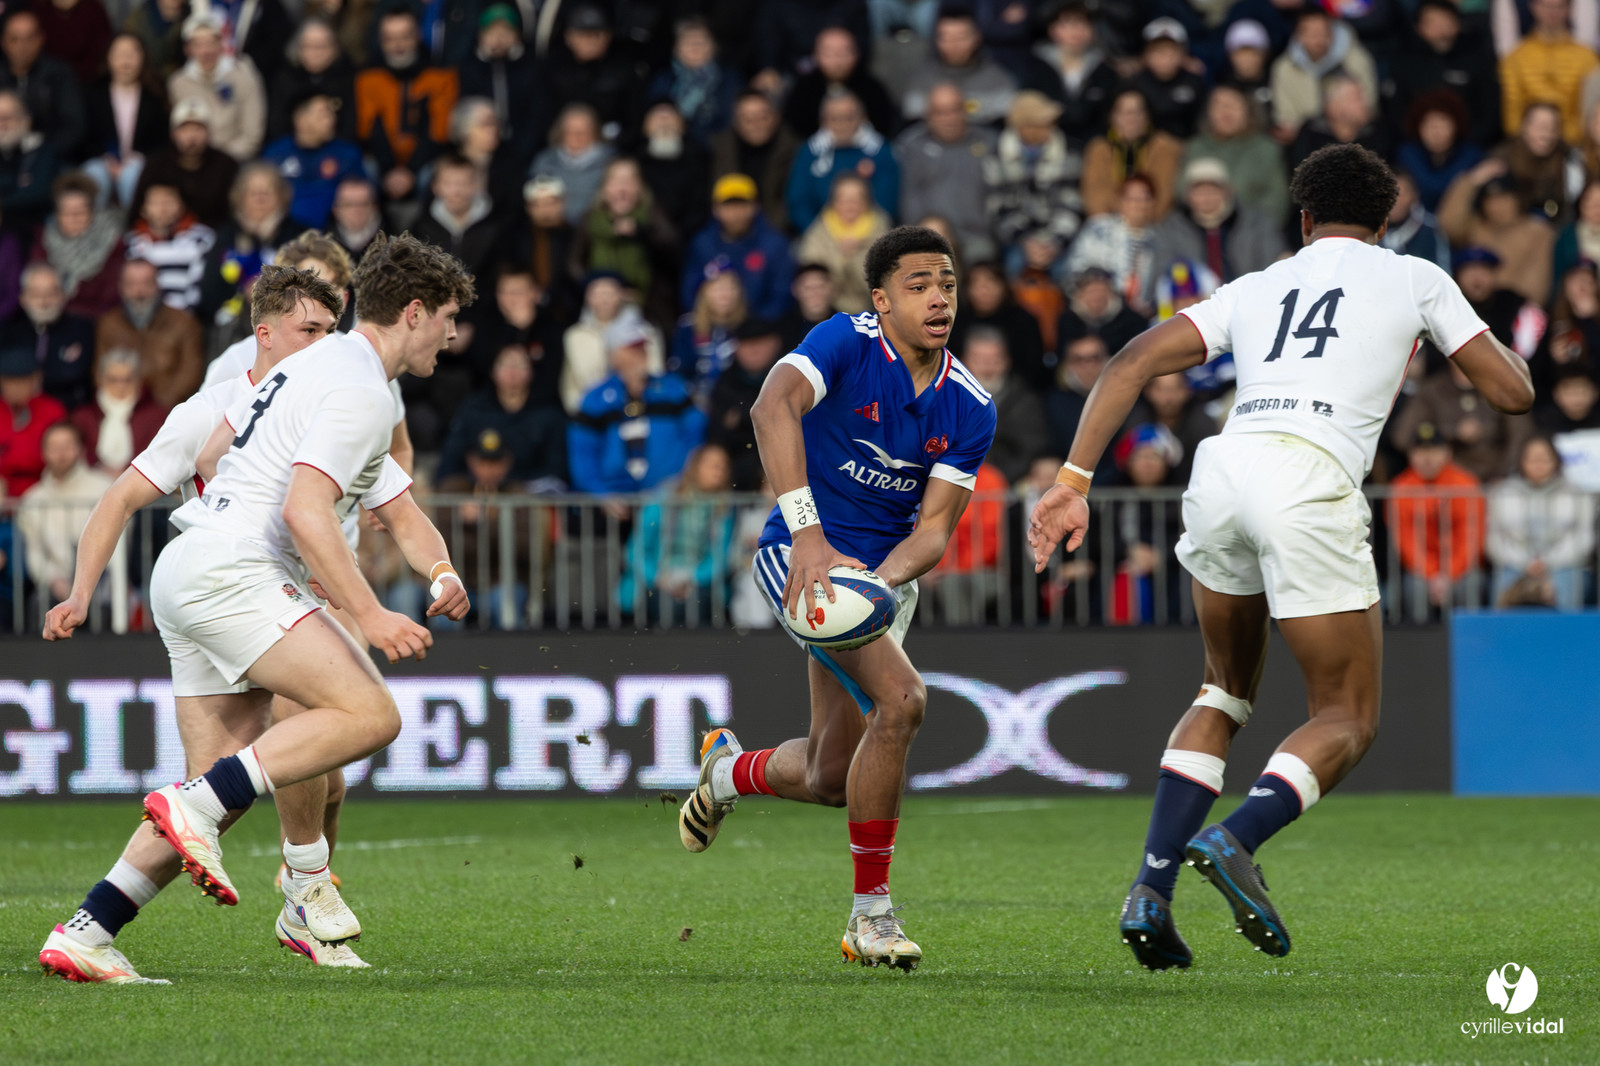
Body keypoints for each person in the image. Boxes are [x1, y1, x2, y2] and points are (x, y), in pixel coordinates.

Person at [1026, 144, 1532, 970]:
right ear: (1386, 219)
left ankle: (1149, 888)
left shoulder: (1258, 286)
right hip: (1308, 478)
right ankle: (1237, 838)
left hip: (1224, 469)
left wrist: (1074, 481)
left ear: (1303, 221)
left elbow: (1130, 362)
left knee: (1223, 690)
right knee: (1347, 714)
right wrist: (1488, 342)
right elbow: (1511, 393)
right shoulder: (1414, 277)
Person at [60, 241, 475, 979]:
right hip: (236, 572)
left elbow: (400, 509)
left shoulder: (320, 366)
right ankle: (300, 887)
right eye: (445, 319)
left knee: (225, 785)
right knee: (370, 716)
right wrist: (373, 614)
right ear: (413, 312)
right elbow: (308, 511)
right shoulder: (361, 389)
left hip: (191, 566)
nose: (451, 335)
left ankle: (90, 929)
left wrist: (441, 569)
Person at [678, 225, 997, 972]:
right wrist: (812, 535)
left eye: (946, 282)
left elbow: (935, 532)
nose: (938, 297)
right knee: (904, 701)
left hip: (872, 583)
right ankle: (872, 918)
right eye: (918, 285)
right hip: (796, 557)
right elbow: (770, 410)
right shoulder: (845, 342)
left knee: (828, 776)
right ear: (881, 301)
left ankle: (727, 771)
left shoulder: (970, 404)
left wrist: (875, 584)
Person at [568, 317, 705, 495]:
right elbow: (583, 452)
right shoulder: (594, 399)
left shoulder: (674, 389)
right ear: (614, 354)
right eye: (632, 348)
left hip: (670, 498)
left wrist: (684, 480)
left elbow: (696, 435)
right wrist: (601, 495)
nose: (641, 353)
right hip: (613, 505)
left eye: (643, 347)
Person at [617, 442, 739, 625]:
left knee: (693, 605)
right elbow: (636, 550)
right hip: (657, 580)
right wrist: (658, 578)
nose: (718, 470)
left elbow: (720, 557)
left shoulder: (724, 508)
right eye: (712, 464)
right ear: (695, 466)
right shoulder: (663, 498)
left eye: (723, 465)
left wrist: (691, 577)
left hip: (700, 584)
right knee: (667, 605)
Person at [354, 6, 458, 215]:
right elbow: (370, 131)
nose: (398, 45)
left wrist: (410, 172)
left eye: (405, 36)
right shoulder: (368, 79)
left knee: (439, 173)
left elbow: (439, 132)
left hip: (424, 164)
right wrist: (390, 171)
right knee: (362, 169)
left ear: (417, 36)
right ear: (381, 41)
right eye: (390, 38)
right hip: (383, 166)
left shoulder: (441, 77)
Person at [1148, 158, 1286, 312]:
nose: (1206, 198)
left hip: (1250, 305)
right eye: (1199, 191)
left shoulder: (1255, 224)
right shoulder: (1171, 229)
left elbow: (1273, 267)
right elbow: (1162, 275)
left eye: (1213, 190)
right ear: (1187, 195)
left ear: (1227, 191)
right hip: (1197, 311)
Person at [435, 342, 567, 490]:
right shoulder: (473, 408)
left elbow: (556, 468)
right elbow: (451, 458)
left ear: (531, 371)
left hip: (528, 496)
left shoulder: (548, 414)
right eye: (505, 364)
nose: (512, 371)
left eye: (519, 365)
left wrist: (514, 486)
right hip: (475, 493)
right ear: (492, 370)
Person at [1389, 421, 1488, 614]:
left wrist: (1448, 574)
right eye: (1420, 451)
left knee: (1470, 585)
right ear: (1410, 455)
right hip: (1423, 570)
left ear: (1447, 453)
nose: (1427, 458)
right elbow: (1406, 541)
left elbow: (1472, 537)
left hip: (1461, 567)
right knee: (1414, 588)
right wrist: (1432, 573)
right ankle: (1418, 642)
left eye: (1434, 451)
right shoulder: (1401, 487)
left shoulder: (1466, 484)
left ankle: (1469, 642)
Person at [896, 82, 998, 264]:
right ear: (928, 115)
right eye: (940, 112)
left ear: (966, 111)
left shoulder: (989, 143)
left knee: (984, 274)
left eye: (955, 110)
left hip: (977, 236)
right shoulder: (911, 146)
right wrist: (923, 231)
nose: (949, 118)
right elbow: (908, 198)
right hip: (930, 237)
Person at [1487, 434, 1593, 608]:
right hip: (1515, 565)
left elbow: (1582, 540)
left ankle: (1566, 635)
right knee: (1501, 590)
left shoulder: (1577, 494)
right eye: (1532, 459)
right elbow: (1495, 541)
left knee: (1568, 588)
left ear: (1556, 461)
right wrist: (1525, 563)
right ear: (1521, 461)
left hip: (1563, 566)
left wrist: (1548, 563)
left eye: (1544, 458)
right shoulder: (1502, 494)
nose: (1538, 464)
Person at [17, 420, 114, 607]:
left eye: (68, 446)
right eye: (54, 447)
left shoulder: (105, 487)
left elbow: (118, 545)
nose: (61, 453)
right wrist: (54, 579)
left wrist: (86, 582)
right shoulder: (31, 500)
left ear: (80, 449)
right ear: (43, 452)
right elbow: (35, 553)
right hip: (55, 585)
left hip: (103, 580)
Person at [983, 90, 1083, 261]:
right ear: (1023, 127)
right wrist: (1025, 240)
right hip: (1016, 238)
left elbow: (1071, 203)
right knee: (1015, 263)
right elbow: (999, 208)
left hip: (1059, 236)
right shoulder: (997, 156)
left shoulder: (1069, 153)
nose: (1051, 127)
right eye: (1043, 123)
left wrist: (1056, 241)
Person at [1438, 161, 1556, 304]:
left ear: (1518, 199)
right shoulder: (1475, 227)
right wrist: (1471, 181)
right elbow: (1448, 224)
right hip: (1473, 307)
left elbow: (1536, 286)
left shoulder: (1538, 232)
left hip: (1514, 312)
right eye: (1491, 200)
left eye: (1504, 198)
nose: (1498, 206)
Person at [785, 88, 899, 234]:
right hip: (820, 236)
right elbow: (798, 201)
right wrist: (821, 234)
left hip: (870, 236)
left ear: (863, 117)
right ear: (823, 120)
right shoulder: (810, 152)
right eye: (834, 118)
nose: (842, 125)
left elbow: (886, 204)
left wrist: (860, 234)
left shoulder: (880, 151)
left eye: (848, 118)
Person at [682, 173, 795, 320]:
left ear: (755, 207)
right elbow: (690, 294)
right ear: (715, 209)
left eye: (742, 205)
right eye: (728, 206)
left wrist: (753, 327)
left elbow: (782, 295)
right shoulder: (702, 244)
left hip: (761, 329)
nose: (735, 213)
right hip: (713, 327)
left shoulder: (775, 245)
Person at [96, 257, 204, 405]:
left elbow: (190, 374)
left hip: (169, 410)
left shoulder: (183, 323)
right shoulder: (109, 324)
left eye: (147, 283)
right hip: (119, 408)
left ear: (157, 285)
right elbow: (99, 372)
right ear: (120, 286)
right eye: (131, 284)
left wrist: (156, 410)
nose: (139, 292)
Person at [81, 33, 169, 212]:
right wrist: (107, 159)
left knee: (131, 175)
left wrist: (137, 158)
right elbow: (83, 135)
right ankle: (96, 233)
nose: (125, 60)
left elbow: (162, 140)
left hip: (139, 161)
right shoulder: (92, 93)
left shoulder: (154, 94)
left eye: (132, 54)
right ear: (109, 58)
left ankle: (133, 230)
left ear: (143, 58)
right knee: (93, 173)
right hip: (102, 160)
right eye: (119, 54)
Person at [167, 10, 266, 163]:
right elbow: (177, 131)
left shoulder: (243, 75)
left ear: (221, 44)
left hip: (236, 160)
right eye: (198, 44)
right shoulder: (178, 83)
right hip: (193, 160)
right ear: (187, 49)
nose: (205, 51)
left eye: (211, 42)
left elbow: (252, 134)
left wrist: (221, 160)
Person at [261, 89, 367, 229]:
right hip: (284, 235)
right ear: (300, 120)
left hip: (335, 235)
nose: (332, 118)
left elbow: (364, 197)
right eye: (324, 114)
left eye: (332, 113)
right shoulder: (275, 154)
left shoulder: (347, 154)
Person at [1186, 85, 1289, 228]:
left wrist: (1256, 231)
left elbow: (1276, 199)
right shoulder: (1196, 147)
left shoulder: (1266, 149)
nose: (1225, 111)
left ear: (1248, 111)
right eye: (1218, 104)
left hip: (1254, 233)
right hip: (1201, 231)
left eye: (1233, 104)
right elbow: (1181, 191)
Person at [1268, 7, 1378, 140]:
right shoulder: (1284, 68)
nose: (1318, 39)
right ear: (1299, 36)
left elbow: (1369, 108)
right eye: (1312, 33)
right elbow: (1286, 118)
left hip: (1354, 134)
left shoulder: (1356, 60)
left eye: (1323, 32)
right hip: (1307, 138)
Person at [900, 6, 1016, 128]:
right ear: (936, 40)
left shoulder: (997, 79)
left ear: (977, 37)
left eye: (961, 37)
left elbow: (1004, 128)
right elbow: (912, 128)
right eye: (946, 38)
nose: (954, 45)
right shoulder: (920, 80)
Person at [1022, 0, 1119, 146]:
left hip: (1092, 146)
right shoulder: (1036, 68)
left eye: (1083, 23)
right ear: (1052, 30)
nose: (1076, 31)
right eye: (1067, 24)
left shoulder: (1105, 71)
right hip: (1045, 146)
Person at [1500, 0, 1597, 144]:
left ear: (1570, 9)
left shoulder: (1587, 57)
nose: (1552, 12)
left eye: (1559, 6)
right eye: (1545, 5)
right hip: (1528, 145)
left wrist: (1571, 140)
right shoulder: (1516, 57)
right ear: (1533, 7)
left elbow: (1590, 110)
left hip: (1576, 144)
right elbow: (1512, 111)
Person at [133, 97, 239, 228]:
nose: (191, 136)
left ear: (209, 132)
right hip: (165, 238)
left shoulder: (226, 165)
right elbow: (137, 211)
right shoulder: (156, 165)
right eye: (185, 129)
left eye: (198, 128)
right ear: (173, 133)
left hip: (216, 235)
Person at [962, 327, 1049, 485]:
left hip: (1011, 488)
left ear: (1007, 361)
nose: (987, 366)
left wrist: (994, 479)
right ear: (964, 361)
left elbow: (1032, 450)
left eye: (994, 359)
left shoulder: (1025, 401)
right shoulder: (948, 400)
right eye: (979, 359)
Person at [795, 173, 893, 315]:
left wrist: (855, 256)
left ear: (867, 201)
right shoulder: (818, 232)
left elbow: (884, 283)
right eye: (844, 199)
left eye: (857, 199)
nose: (850, 204)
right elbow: (811, 278)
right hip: (827, 313)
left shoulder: (882, 232)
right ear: (834, 201)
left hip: (870, 310)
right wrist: (841, 257)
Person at [782, 24, 895, 142]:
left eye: (843, 53)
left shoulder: (873, 90)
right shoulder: (802, 92)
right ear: (815, 55)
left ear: (856, 54)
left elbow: (882, 128)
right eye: (829, 53)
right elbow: (795, 130)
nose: (837, 60)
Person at [1081, 89, 1182, 219]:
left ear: (1147, 116)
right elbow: (1094, 198)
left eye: (1137, 111)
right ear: (1112, 117)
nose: (1131, 118)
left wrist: (1137, 218)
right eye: (1123, 112)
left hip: (1155, 223)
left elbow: (1164, 196)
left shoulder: (1164, 147)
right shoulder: (1099, 149)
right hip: (1109, 223)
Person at [9, 263, 99, 409]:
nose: (44, 301)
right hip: (19, 413)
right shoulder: (10, 332)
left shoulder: (83, 328)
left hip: (69, 412)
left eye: (51, 293)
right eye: (36, 294)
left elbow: (80, 374)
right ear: (23, 299)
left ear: (63, 296)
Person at [707, 317, 782, 491]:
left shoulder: (790, 380)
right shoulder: (725, 384)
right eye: (747, 344)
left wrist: (741, 419)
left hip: (781, 469)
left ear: (775, 343)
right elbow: (717, 435)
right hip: (734, 477)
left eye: (760, 342)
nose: (754, 350)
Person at [710, 90, 799, 234]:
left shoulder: (793, 149)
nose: (757, 125)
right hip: (729, 229)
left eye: (762, 117)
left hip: (780, 230)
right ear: (736, 122)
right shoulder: (720, 149)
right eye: (748, 119)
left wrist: (769, 231)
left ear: (775, 117)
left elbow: (794, 200)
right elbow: (717, 196)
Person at [0, 9, 84, 159]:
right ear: (4, 42)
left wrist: (44, 153)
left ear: (41, 39)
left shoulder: (59, 75)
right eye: (14, 39)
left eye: (29, 38)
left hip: (50, 158)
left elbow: (74, 127)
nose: (22, 46)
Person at [69, 346, 165, 471]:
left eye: (127, 380)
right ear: (101, 379)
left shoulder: (156, 416)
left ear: (138, 380)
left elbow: (156, 456)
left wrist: (125, 473)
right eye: (113, 379)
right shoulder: (83, 416)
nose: (120, 386)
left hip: (139, 479)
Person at [266, 19, 357, 144]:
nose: (316, 53)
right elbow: (277, 124)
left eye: (322, 46)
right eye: (309, 46)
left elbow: (350, 124)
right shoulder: (284, 79)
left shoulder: (348, 78)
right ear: (298, 49)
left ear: (335, 49)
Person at [1396, 89, 1485, 214]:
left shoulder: (1471, 152)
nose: (1436, 132)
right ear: (1418, 128)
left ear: (1456, 126)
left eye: (1443, 123)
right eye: (1429, 124)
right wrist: (1472, 178)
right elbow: (1432, 189)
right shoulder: (1408, 151)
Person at [412, 152, 498, 280]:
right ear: (435, 187)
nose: (456, 191)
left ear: (476, 185)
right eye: (449, 183)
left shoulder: (494, 226)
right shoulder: (422, 226)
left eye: (463, 183)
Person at [527, 103, 613, 228]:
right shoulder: (545, 161)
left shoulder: (611, 162)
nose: (576, 137)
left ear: (595, 132)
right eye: (570, 131)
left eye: (583, 131)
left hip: (596, 230)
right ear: (560, 132)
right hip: (554, 230)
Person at [0, 345, 68, 496]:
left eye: (22, 380)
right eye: (10, 381)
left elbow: (61, 453)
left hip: (46, 489)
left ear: (34, 380)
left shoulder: (52, 410)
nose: (15, 387)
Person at [1127, 18, 1204, 141]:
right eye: (1158, 51)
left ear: (1183, 54)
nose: (1165, 58)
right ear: (1146, 54)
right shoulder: (1135, 83)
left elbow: (1201, 123)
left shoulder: (1194, 81)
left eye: (1171, 51)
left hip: (1188, 146)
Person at [0, 89, 59, 237]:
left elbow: (40, 193)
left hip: (33, 228)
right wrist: (18, 184)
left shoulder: (42, 149)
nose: (3, 124)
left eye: (8, 118)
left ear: (26, 120)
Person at [1382, 170, 1452, 271]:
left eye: (1400, 194)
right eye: (1388, 193)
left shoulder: (1432, 229)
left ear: (1415, 195)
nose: (1394, 200)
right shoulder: (1369, 229)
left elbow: (1442, 272)